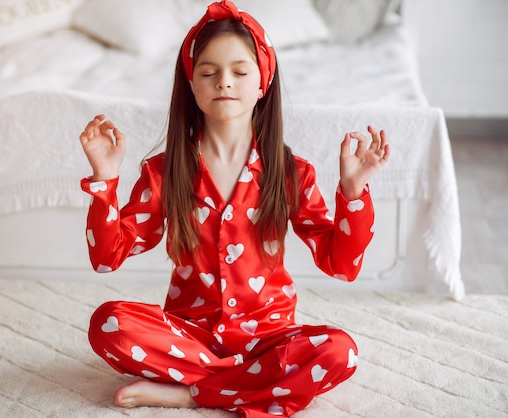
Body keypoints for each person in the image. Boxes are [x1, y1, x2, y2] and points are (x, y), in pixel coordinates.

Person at [78, 1, 390, 416]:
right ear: (192, 84)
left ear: (263, 83)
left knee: (340, 352)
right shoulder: (163, 172)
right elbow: (107, 257)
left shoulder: (291, 172)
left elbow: (341, 265)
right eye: (209, 72)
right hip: (189, 335)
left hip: (270, 337)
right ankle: (256, 384)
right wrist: (105, 178)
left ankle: (189, 393)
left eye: (240, 72)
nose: (224, 81)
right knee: (109, 323)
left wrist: (353, 190)